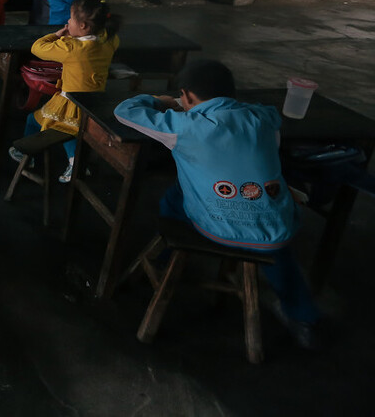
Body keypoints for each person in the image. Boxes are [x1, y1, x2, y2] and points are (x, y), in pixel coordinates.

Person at [114, 59, 321, 349]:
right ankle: (303, 318)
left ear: (186, 97)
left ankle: (163, 261)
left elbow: (125, 112)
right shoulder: (263, 119)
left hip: (213, 227)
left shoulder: (185, 127)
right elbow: (266, 112)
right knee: (270, 233)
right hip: (274, 232)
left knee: (175, 197)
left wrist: (158, 100)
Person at [10, 0, 120, 183]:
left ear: (83, 26)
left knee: (62, 126)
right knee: (67, 127)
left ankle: (73, 163)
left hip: (72, 101)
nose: (68, 22)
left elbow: (37, 48)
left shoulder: (71, 48)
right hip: (96, 100)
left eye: (71, 19)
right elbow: (107, 39)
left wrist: (56, 35)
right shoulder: (109, 41)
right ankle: (73, 161)